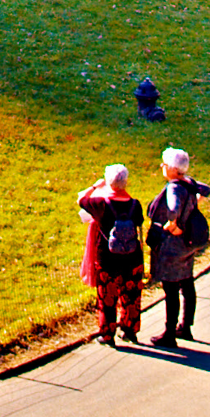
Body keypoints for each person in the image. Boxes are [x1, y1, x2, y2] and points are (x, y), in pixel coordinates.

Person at [147, 148, 210, 348]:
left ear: (173, 169)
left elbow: (172, 209)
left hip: (173, 247)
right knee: (187, 283)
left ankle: (169, 333)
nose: (162, 167)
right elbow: (207, 189)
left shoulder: (174, 188)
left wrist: (172, 225)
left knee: (171, 288)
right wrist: (198, 202)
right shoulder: (189, 183)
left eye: (164, 164)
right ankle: (186, 326)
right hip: (188, 245)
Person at [77, 165, 145, 346]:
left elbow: (81, 201)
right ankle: (130, 331)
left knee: (107, 297)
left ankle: (107, 334)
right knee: (131, 296)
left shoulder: (100, 204)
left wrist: (95, 186)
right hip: (132, 258)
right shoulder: (135, 204)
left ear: (108, 181)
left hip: (107, 259)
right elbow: (139, 221)